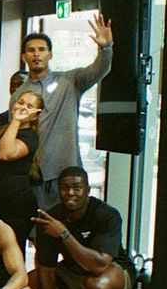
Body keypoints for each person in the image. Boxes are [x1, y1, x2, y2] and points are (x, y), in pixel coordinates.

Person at [31, 166, 132, 289]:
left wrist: (64, 234)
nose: (70, 193)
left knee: (96, 285)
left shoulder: (107, 215)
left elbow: (99, 265)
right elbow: (46, 273)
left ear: (88, 190)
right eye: (64, 188)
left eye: (77, 188)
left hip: (112, 270)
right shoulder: (50, 219)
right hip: (73, 270)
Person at [12, 20, 114, 209]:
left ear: (50, 54)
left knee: (67, 222)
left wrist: (106, 48)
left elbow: (99, 70)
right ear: (24, 56)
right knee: (38, 223)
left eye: (41, 49)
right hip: (33, 176)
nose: (36, 54)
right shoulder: (18, 95)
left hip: (66, 174)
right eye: (31, 50)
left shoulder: (69, 81)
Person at [0, 91, 43, 252]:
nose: (22, 108)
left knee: (11, 252)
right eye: (20, 102)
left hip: (16, 204)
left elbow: (5, 154)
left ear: (36, 115)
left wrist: (16, 120)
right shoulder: (4, 130)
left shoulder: (30, 136)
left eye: (29, 106)